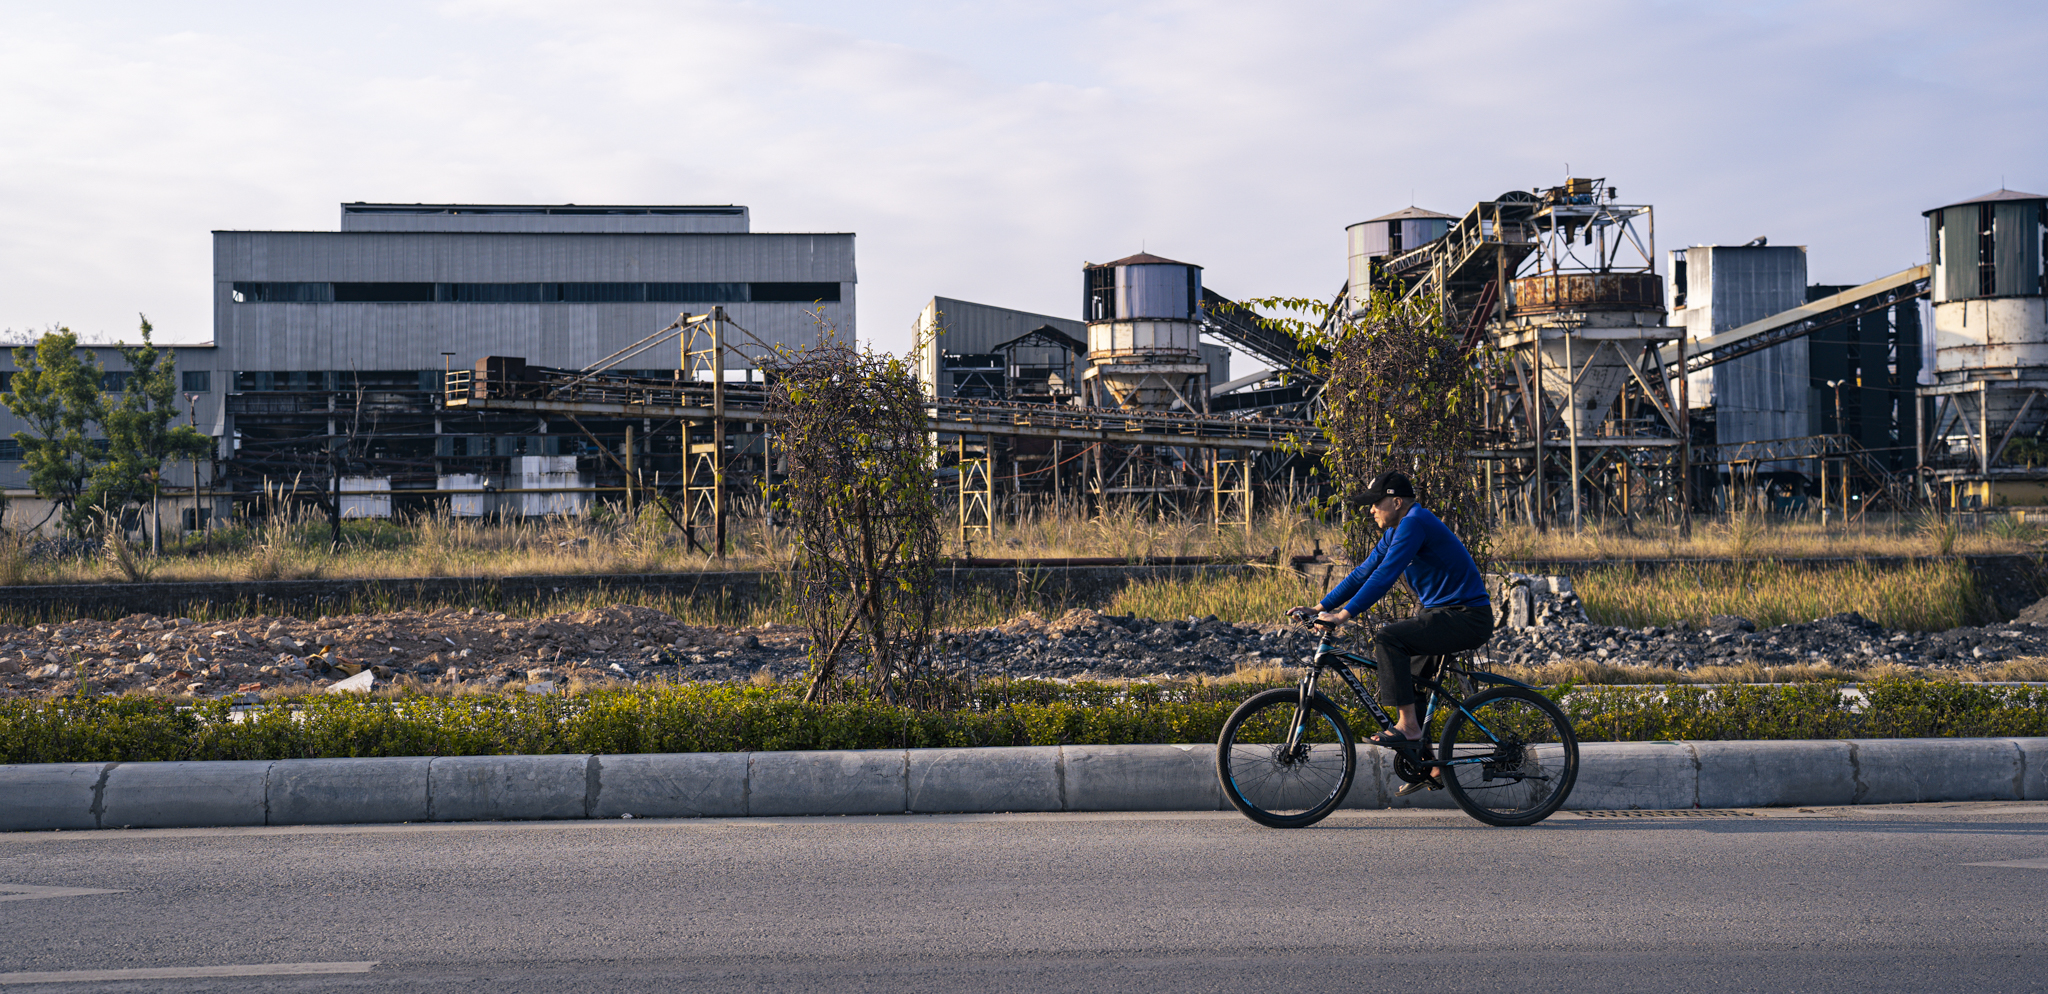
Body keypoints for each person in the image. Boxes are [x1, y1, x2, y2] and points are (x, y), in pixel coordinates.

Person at [1294, 471, 1491, 792]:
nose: (1370, 510)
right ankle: (1429, 766)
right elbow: (1362, 573)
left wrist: (1342, 615)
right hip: (1443, 614)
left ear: (1396, 502)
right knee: (1407, 680)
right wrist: (1318, 608)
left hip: (1466, 616)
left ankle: (1409, 728)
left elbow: (1385, 576)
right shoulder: (1398, 530)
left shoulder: (1415, 522)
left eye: (1375, 503)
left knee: (1388, 638)